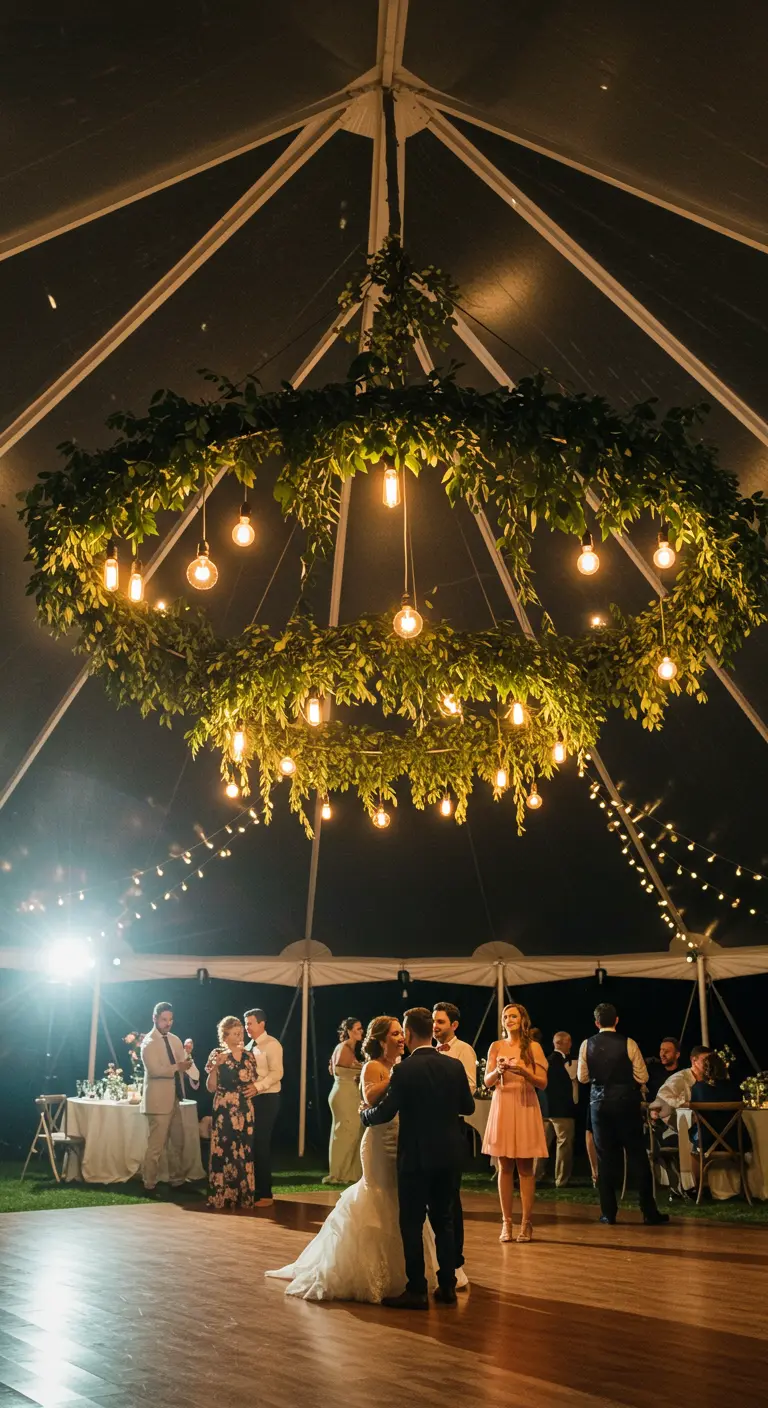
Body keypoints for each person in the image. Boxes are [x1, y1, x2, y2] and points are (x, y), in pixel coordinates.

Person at [266, 1016, 438, 1303]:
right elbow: (370, 1098)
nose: (400, 1038)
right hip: (379, 1141)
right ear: (382, 1040)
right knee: (378, 1193)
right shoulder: (374, 1066)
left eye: (401, 1033)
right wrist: (398, 1078)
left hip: (401, 1139)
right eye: (395, 1033)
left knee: (401, 1199)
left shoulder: (402, 1067)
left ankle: (411, 1272)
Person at [361, 1007, 475, 1309]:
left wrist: (364, 1115)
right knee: (445, 1220)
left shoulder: (404, 1070)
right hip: (449, 1154)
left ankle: (417, 1290)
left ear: (409, 1034)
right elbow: (469, 1106)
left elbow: (385, 1112)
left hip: (416, 1157)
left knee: (411, 1222)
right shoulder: (453, 1067)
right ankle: (447, 1286)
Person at [578, 1002, 668, 1226]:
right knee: (638, 1156)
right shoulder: (628, 1043)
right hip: (626, 1104)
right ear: (616, 1020)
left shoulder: (586, 1044)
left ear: (597, 1023)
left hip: (599, 1105)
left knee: (605, 1159)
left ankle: (609, 1213)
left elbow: (582, 1077)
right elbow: (643, 1077)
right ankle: (648, 1212)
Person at [482, 1003, 548, 1243]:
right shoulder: (496, 1047)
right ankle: (506, 1222)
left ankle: (526, 1223)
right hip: (503, 1104)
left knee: (525, 1167)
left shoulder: (533, 1047)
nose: (508, 1020)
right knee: (504, 1166)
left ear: (522, 1020)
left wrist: (524, 1072)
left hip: (524, 1103)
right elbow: (487, 1082)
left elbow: (542, 1082)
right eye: (505, 1017)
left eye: (513, 1016)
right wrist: (498, 1071)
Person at [432, 1001, 477, 1290]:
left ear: (454, 1026)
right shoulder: (425, 1051)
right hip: (427, 1127)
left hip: (451, 1125)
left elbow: (470, 1087)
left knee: (451, 1197)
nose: (436, 1026)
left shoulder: (465, 1050)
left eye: (441, 1022)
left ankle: (456, 1259)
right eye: (434, 1021)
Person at [205, 1015, 259, 1210]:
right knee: (224, 1148)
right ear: (225, 1036)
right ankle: (222, 1196)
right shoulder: (217, 1054)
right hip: (224, 1109)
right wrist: (216, 1066)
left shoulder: (249, 1056)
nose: (239, 1037)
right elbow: (210, 1087)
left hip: (244, 1109)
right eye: (235, 1033)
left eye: (240, 1033)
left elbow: (252, 1080)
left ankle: (242, 1195)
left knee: (243, 1150)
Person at [140, 1001, 193, 1196]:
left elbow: (184, 1061)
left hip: (174, 1098)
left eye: (170, 1019)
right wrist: (177, 1067)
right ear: (154, 1019)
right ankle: (149, 1184)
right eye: (164, 1019)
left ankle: (177, 1180)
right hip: (157, 1101)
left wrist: (188, 1053)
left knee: (177, 1142)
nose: (168, 1023)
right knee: (156, 1146)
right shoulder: (148, 1042)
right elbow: (154, 1071)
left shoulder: (175, 1039)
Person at [689, 1051, 750, 1185]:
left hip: (707, 1142)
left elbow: (694, 1114)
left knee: (690, 1141)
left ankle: (699, 1187)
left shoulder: (698, 1088)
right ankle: (747, 1186)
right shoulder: (734, 1088)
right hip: (734, 1141)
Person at [244, 1007, 284, 1208]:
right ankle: (253, 1188)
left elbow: (277, 1073)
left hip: (267, 1098)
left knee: (261, 1142)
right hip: (252, 1098)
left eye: (250, 1023)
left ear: (262, 1024)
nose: (247, 1027)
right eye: (245, 1024)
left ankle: (266, 1193)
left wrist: (257, 1087)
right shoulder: (249, 1045)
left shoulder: (272, 1045)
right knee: (251, 1143)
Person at [323, 1017, 364, 1186]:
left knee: (347, 1132)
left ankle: (346, 1172)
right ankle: (340, 1173)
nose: (361, 1031)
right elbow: (339, 1068)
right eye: (358, 1028)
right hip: (344, 1094)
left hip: (344, 1093)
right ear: (348, 1031)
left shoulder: (347, 1048)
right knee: (346, 1132)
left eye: (361, 1029)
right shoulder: (345, 1048)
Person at [538, 1031, 576, 1187]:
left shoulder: (546, 1061)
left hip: (545, 1110)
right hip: (562, 1111)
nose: (571, 1045)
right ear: (563, 1043)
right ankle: (561, 1179)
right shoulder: (565, 1064)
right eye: (569, 1042)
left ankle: (535, 1175)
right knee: (564, 1145)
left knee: (542, 1146)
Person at [645, 1037, 684, 1101]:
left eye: (667, 1051)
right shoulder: (651, 1072)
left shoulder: (683, 1075)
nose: (662, 1054)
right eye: (661, 1050)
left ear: (677, 1055)